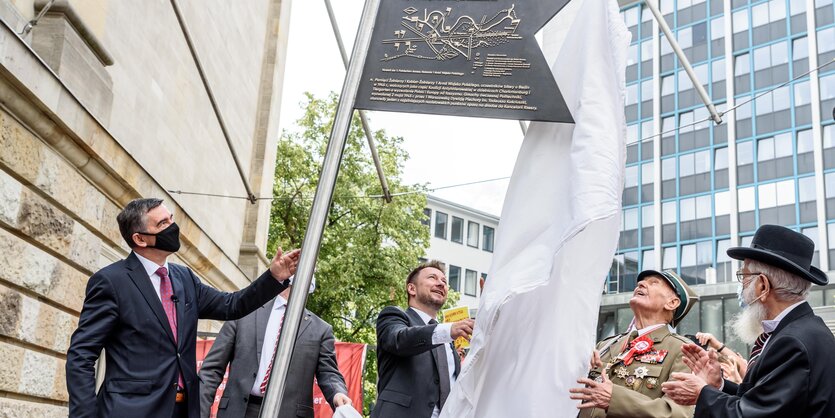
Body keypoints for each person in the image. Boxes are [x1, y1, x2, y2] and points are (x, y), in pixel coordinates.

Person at [65, 198, 300, 418]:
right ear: (139, 239)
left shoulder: (184, 278)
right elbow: (81, 355)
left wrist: (273, 277)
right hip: (131, 409)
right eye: (162, 223)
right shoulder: (111, 282)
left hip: (183, 409)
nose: (172, 227)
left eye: (171, 219)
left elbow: (232, 305)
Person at [661, 224, 835, 417]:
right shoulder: (800, 330)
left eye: (743, 276)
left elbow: (754, 415)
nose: (742, 286)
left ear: (762, 286)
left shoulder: (792, 342)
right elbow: (763, 399)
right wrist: (718, 384)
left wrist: (702, 394)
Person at [198, 277, 351, 418]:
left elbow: (329, 373)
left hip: (288, 413)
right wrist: (198, 412)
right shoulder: (244, 311)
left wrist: (337, 393)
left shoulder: (320, 329)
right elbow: (212, 370)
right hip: (239, 411)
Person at [570, 269, 699, 418]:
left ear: (672, 303)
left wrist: (614, 399)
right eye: (641, 283)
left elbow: (676, 413)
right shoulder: (606, 346)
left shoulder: (683, 350)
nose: (640, 284)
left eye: (653, 283)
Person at [372, 260, 475, 418]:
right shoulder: (393, 316)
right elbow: (399, 340)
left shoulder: (450, 341)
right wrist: (449, 330)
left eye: (444, 281)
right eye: (432, 278)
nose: (441, 284)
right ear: (411, 288)